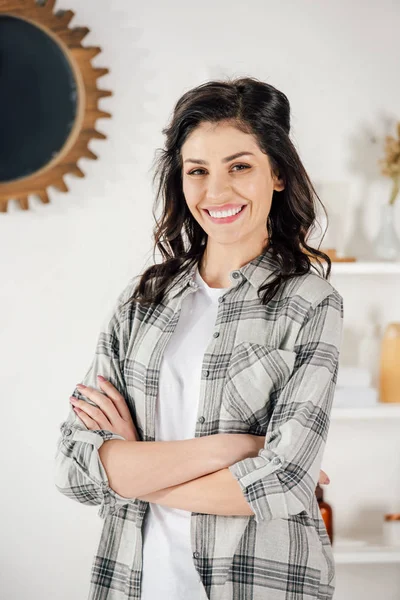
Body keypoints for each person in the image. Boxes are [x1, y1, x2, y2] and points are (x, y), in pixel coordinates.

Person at [54, 76, 343, 600]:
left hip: (263, 583)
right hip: (136, 582)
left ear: (276, 173)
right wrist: (237, 448)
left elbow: (282, 484)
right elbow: (75, 466)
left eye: (239, 166)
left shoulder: (310, 303)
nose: (217, 192)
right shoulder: (141, 301)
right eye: (198, 171)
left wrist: (135, 467)